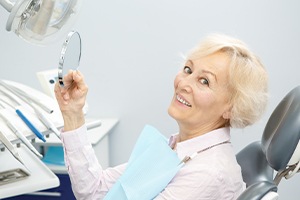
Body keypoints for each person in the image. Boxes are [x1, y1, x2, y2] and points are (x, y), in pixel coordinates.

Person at [54, 33, 268, 200]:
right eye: (187, 69)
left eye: (204, 81)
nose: (183, 84)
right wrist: (72, 113)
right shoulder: (177, 148)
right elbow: (94, 190)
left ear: (232, 108)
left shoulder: (208, 173)